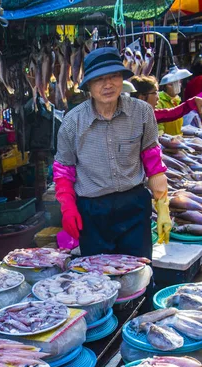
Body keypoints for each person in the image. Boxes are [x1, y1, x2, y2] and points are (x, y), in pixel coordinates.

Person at [53, 46, 171, 270]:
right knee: (98, 278)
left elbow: (153, 160)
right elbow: (63, 171)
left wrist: (163, 206)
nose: (107, 85)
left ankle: (142, 304)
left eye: (114, 76)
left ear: (122, 78)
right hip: (93, 212)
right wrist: (68, 207)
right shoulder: (72, 122)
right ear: (88, 85)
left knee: (138, 272)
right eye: (99, 79)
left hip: (133, 206)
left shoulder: (142, 113)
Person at [130, 75, 202, 124]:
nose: (158, 97)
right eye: (154, 93)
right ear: (141, 97)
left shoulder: (149, 114)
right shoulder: (131, 118)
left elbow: (171, 113)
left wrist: (193, 102)